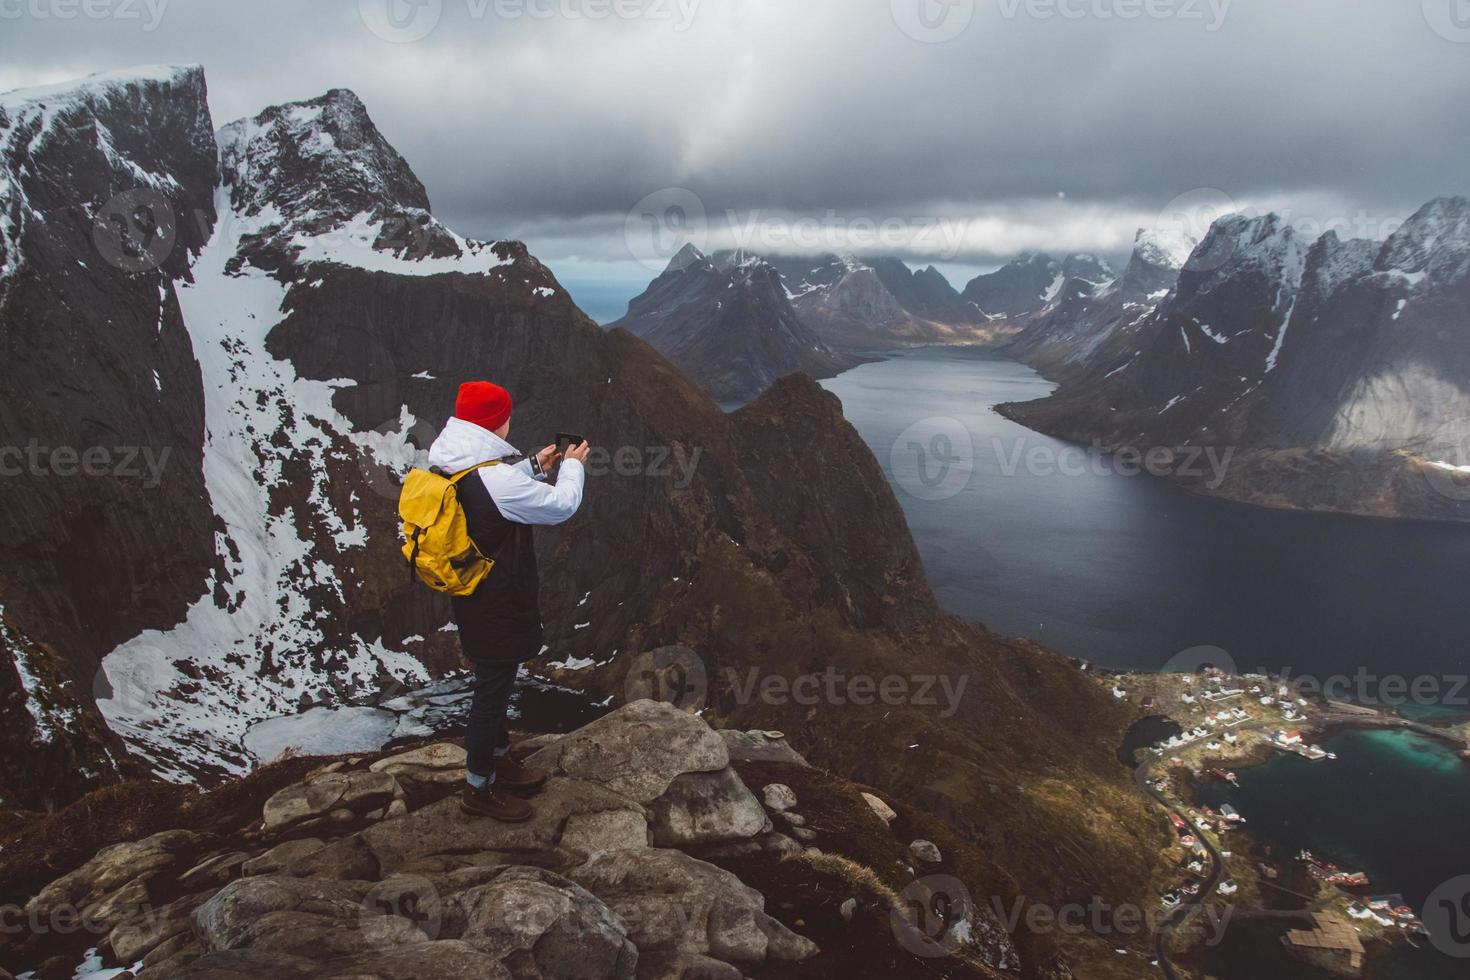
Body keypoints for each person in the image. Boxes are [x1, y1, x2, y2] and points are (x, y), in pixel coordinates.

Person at [425, 380, 589, 821]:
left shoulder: (451, 459)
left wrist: (535, 464)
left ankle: (498, 760)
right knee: (491, 692)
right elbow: (559, 506)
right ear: (498, 420)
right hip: (497, 599)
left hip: (474, 594)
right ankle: (479, 788)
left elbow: (487, 491)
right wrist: (572, 467)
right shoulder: (490, 474)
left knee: (495, 680)